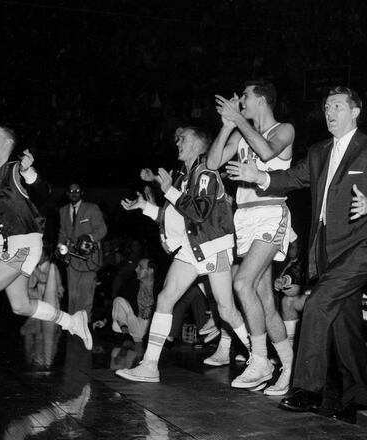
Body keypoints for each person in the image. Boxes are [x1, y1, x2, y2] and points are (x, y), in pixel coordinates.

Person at [226, 86, 367, 422]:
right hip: (325, 250)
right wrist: (259, 176)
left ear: (355, 111)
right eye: (325, 107)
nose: (329, 112)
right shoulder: (319, 151)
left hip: (361, 246)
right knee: (345, 323)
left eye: (337, 106)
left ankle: (308, 389)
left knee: (318, 304)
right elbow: (292, 177)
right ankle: (359, 395)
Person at [0, 125, 92, 374]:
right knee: (20, 305)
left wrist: (29, 171)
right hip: (9, 247)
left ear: (9, 141)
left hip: (23, 244)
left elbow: (43, 193)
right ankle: (72, 321)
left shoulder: (15, 169)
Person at [114, 126, 249, 383]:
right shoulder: (183, 177)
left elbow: (198, 212)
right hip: (191, 248)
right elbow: (174, 220)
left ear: (199, 143)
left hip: (212, 246)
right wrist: (146, 207)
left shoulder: (206, 171)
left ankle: (259, 357)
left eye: (183, 138)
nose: (177, 142)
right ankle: (150, 365)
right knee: (165, 298)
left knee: (226, 309)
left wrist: (169, 191)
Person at [207, 80, 295, 394]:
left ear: (260, 99)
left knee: (242, 283)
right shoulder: (243, 133)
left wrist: (240, 121)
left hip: (271, 212)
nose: (240, 100)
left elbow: (268, 151)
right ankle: (288, 365)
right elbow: (212, 163)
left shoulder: (284, 130)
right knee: (265, 301)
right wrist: (227, 125)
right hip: (245, 217)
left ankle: (260, 360)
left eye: (244, 96)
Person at [58, 183, 108, 316]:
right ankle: (72, 325)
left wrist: (89, 237)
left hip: (89, 259)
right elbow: (63, 232)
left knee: (86, 295)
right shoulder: (63, 210)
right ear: (67, 193)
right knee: (72, 294)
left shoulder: (92, 208)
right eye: (71, 190)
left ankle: (84, 324)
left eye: (77, 190)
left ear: (82, 193)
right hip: (72, 259)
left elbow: (102, 229)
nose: (74, 193)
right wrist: (60, 247)